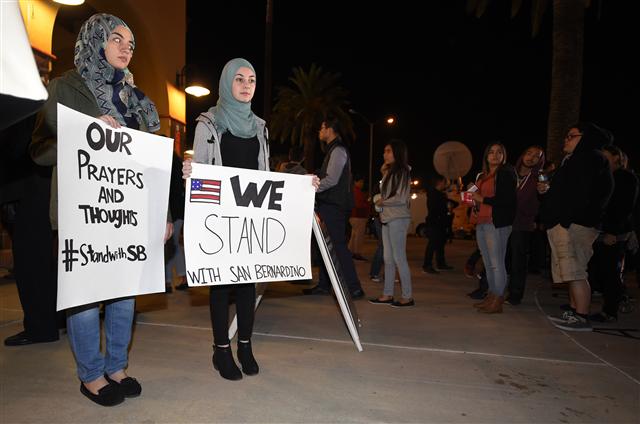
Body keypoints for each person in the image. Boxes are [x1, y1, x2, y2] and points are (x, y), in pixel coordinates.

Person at [29, 14, 172, 406]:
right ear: (95, 41)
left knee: (124, 296)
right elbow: (38, 152)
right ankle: (91, 374)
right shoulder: (63, 88)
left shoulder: (138, 101)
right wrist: (86, 134)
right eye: (117, 39)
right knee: (87, 296)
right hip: (83, 213)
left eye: (131, 43)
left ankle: (116, 366)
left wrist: (163, 214)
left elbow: (154, 166)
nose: (127, 47)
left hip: (128, 213)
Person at [182, 58, 318, 380]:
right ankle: (221, 350)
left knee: (247, 282)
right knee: (220, 286)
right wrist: (191, 174)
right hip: (219, 217)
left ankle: (245, 346)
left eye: (252, 80)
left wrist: (300, 185)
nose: (246, 85)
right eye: (239, 79)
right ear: (227, 82)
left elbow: (265, 173)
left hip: (250, 217)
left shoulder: (260, 126)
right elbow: (200, 169)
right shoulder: (208, 123)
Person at [539, 122, 614, 331]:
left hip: (575, 225)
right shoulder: (576, 160)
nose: (566, 139)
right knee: (570, 272)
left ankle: (581, 316)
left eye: (571, 136)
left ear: (585, 138)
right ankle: (573, 313)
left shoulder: (591, 158)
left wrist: (565, 220)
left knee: (576, 271)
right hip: (568, 223)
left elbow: (581, 194)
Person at [303, 114, 364, 299]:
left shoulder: (338, 150)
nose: (320, 131)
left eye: (322, 128)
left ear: (330, 129)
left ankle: (354, 288)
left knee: (337, 247)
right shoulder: (332, 150)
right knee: (325, 247)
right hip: (329, 205)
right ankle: (323, 285)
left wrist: (310, 187)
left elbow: (332, 179)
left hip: (334, 207)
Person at [587, 145, 637, 322]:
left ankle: (610, 311)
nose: (601, 157)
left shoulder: (625, 177)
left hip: (614, 233)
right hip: (599, 231)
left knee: (610, 272)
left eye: (605, 155)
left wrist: (612, 232)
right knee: (597, 269)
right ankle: (585, 305)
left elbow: (624, 207)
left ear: (616, 158)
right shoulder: (604, 176)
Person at [470, 143, 517, 314]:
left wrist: (482, 199)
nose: (495, 155)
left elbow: (508, 199)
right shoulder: (483, 176)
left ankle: (498, 299)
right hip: (482, 221)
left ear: (504, 155)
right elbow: (478, 197)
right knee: (488, 263)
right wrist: (474, 200)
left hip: (496, 222)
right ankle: (491, 295)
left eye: (499, 152)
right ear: (486, 156)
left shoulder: (506, 172)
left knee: (497, 262)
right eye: (491, 152)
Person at [369, 140, 414, 307]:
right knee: (388, 258)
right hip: (388, 219)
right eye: (385, 151)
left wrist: (382, 202)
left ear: (397, 152)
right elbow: (389, 193)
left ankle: (407, 296)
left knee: (398, 257)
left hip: (398, 218)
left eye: (388, 151)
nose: (384, 154)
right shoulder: (391, 172)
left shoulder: (402, 171)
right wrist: (383, 174)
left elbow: (400, 198)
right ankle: (387, 294)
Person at [505, 146, 545, 305]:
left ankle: (515, 295)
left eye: (537, 156)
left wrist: (544, 193)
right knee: (501, 259)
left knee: (518, 262)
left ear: (540, 161)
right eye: (529, 153)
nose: (531, 157)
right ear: (523, 155)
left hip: (522, 225)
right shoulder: (509, 173)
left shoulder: (539, 178)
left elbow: (544, 200)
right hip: (503, 222)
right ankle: (494, 290)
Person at [422, 174, 454, 274]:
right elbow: (439, 208)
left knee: (440, 244)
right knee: (433, 244)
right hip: (435, 223)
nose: (445, 184)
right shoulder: (435, 194)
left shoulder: (437, 194)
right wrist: (447, 207)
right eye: (444, 182)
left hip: (439, 223)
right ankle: (427, 265)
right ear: (440, 182)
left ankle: (441, 263)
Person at [165, 152, 187, 292]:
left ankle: (167, 282)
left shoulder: (167, 163)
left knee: (169, 247)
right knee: (175, 247)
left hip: (172, 211)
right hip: (178, 210)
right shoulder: (177, 163)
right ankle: (182, 277)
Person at [349, 175, 369, 261]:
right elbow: (359, 205)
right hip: (358, 216)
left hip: (354, 216)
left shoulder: (354, 191)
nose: (362, 184)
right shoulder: (357, 191)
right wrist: (367, 204)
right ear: (356, 182)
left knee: (354, 235)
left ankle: (351, 251)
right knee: (358, 235)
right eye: (360, 182)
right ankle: (356, 253)